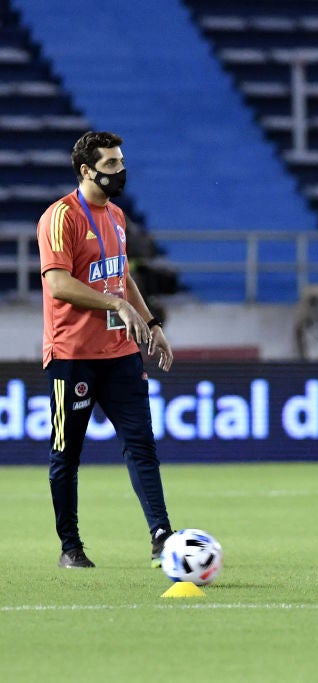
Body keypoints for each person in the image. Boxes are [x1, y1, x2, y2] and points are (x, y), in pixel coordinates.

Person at [36, 131, 175, 569]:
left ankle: (161, 536)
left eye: (120, 162)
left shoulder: (116, 215)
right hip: (72, 354)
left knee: (141, 445)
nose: (120, 171)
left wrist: (151, 322)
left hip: (119, 354)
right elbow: (57, 282)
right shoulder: (60, 218)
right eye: (111, 164)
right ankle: (70, 547)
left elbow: (121, 277)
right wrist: (114, 302)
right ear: (86, 170)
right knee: (67, 455)